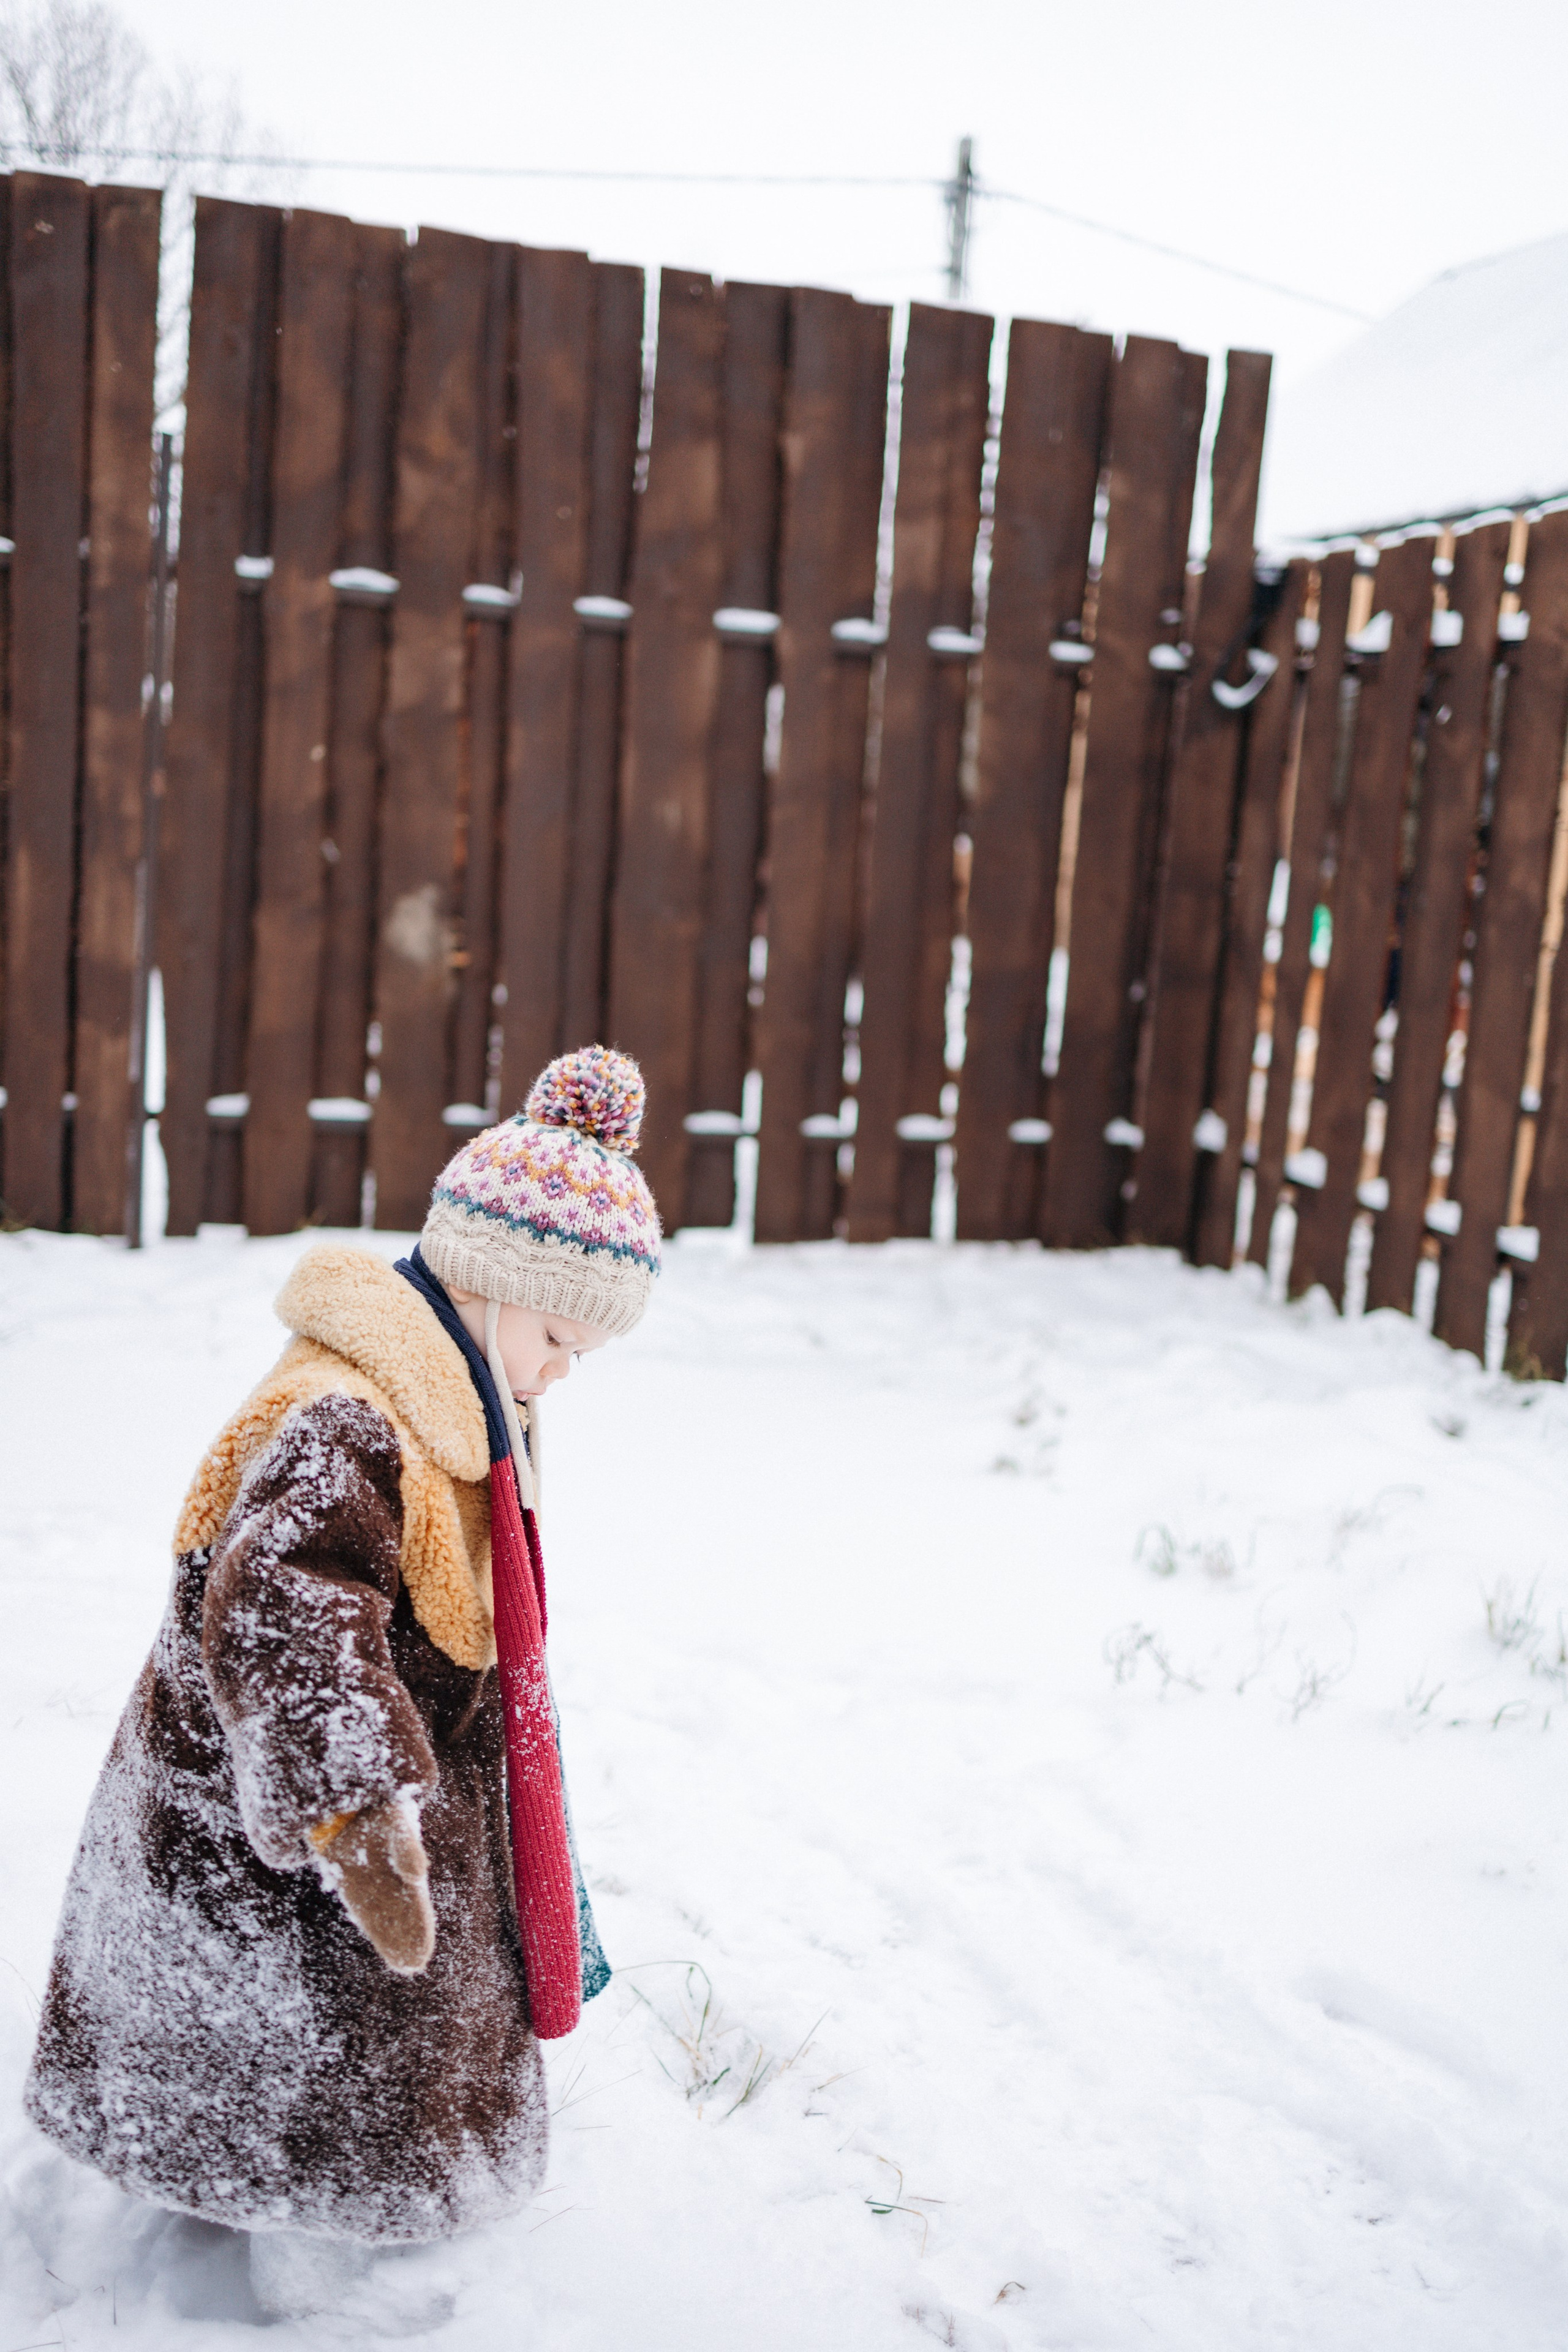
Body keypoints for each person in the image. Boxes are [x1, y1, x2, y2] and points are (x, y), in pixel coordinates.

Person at [24, 1046, 661, 2321]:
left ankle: (281, 2217)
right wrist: (358, 1810)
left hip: (364, 1834)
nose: (561, 1371)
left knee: (303, 2068)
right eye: (554, 1335)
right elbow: (283, 1607)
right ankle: (319, 2289)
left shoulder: (450, 1411)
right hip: (284, 1847)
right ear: (487, 1286)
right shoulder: (345, 1418)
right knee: (299, 2063)